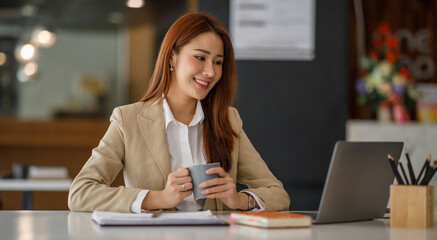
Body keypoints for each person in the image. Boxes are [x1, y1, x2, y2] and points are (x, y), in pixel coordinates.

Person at [68, 13, 290, 213]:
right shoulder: (128, 120)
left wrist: (239, 200)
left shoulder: (228, 119)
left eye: (218, 62)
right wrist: (158, 198)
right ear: (172, 57)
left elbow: (277, 193)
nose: (210, 71)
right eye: (200, 57)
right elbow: (81, 193)